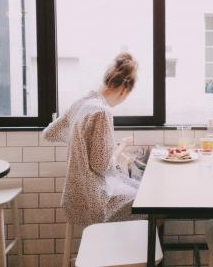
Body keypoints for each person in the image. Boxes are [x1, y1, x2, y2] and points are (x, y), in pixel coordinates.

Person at [42, 52, 143, 225]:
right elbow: (101, 166)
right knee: (151, 203)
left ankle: (120, 247)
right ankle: (127, 250)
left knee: (141, 191)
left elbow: (49, 133)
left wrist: (81, 142)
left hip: (75, 195)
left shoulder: (83, 102)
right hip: (96, 200)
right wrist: (118, 150)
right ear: (124, 89)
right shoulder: (102, 112)